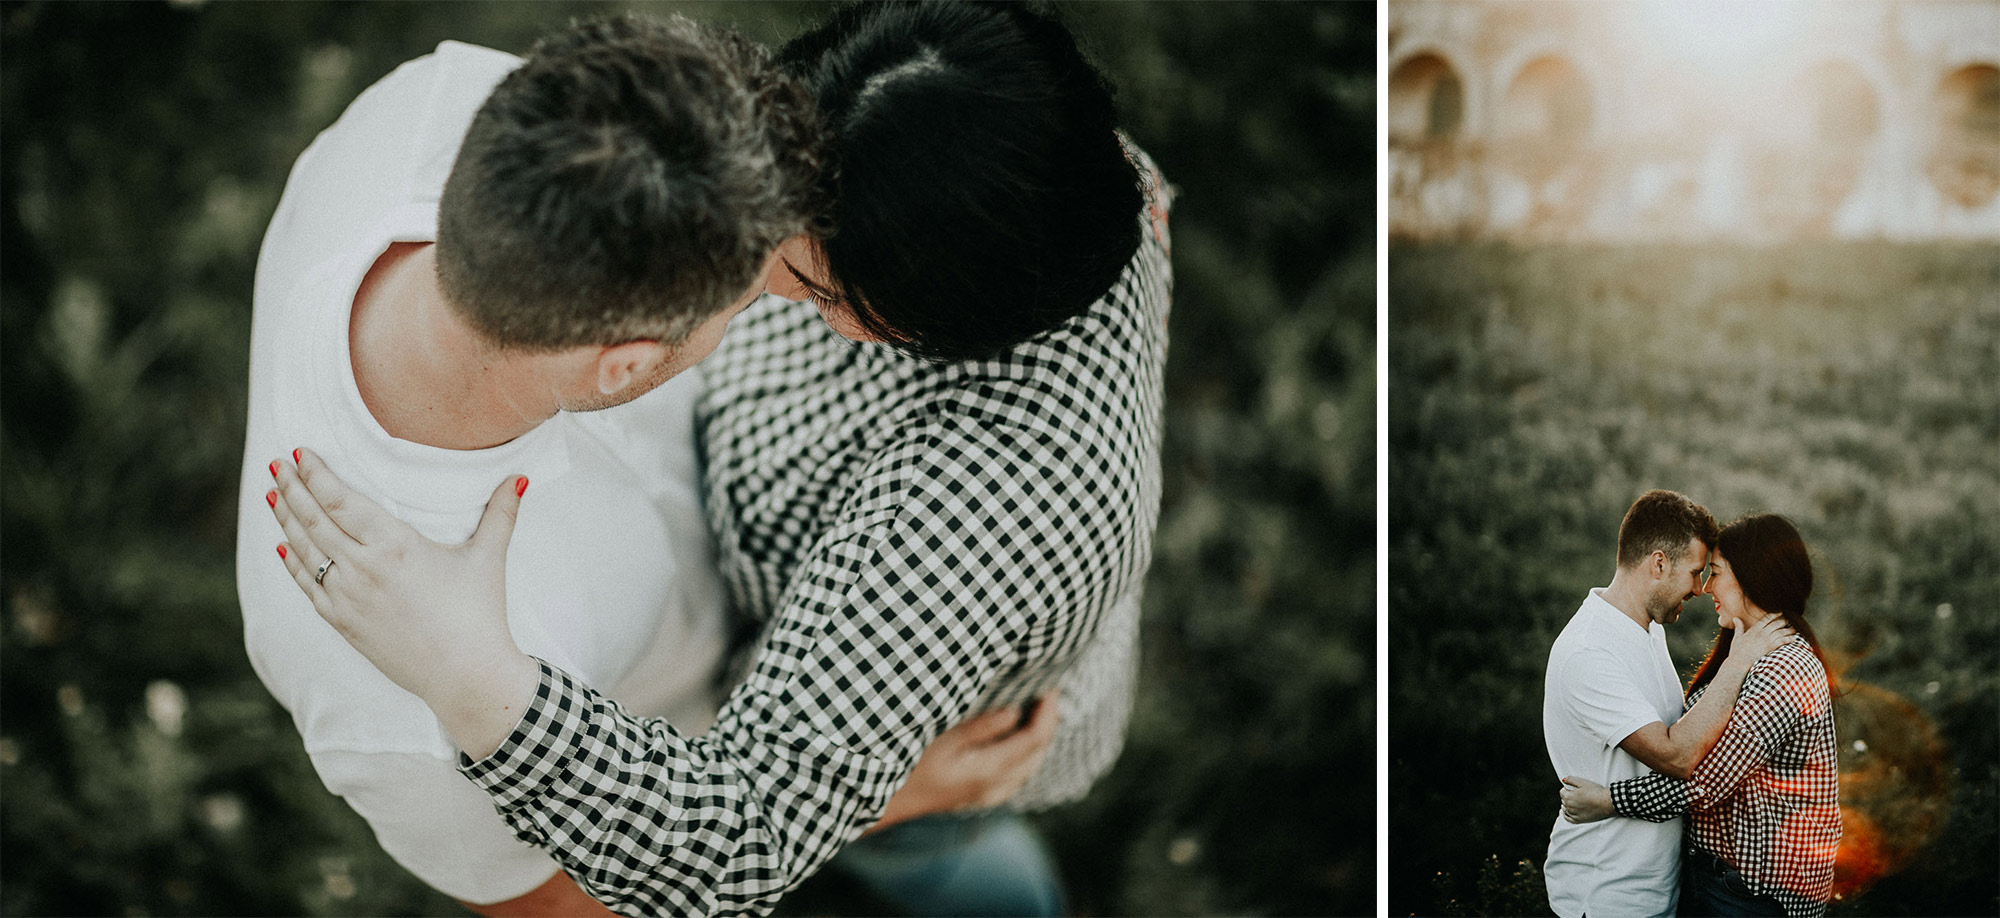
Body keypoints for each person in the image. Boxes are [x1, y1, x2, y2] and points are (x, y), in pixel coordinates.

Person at [266, 2, 1170, 915]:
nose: (776, 262)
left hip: (910, 731)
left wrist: (893, 802)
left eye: (809, 285)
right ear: (629, 360)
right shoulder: (408, 694)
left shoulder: (427, 108)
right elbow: (559, 901)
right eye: (762, 286)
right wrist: (876, 807)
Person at [1559, 514, 1840, 917]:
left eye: (1716, 573)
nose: (1705, 586)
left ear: (1751, 579)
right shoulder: (1748, 651)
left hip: (1751, 896)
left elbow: (1706, 783)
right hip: (1723, 883)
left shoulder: (1782, 670)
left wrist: (1608, 801)